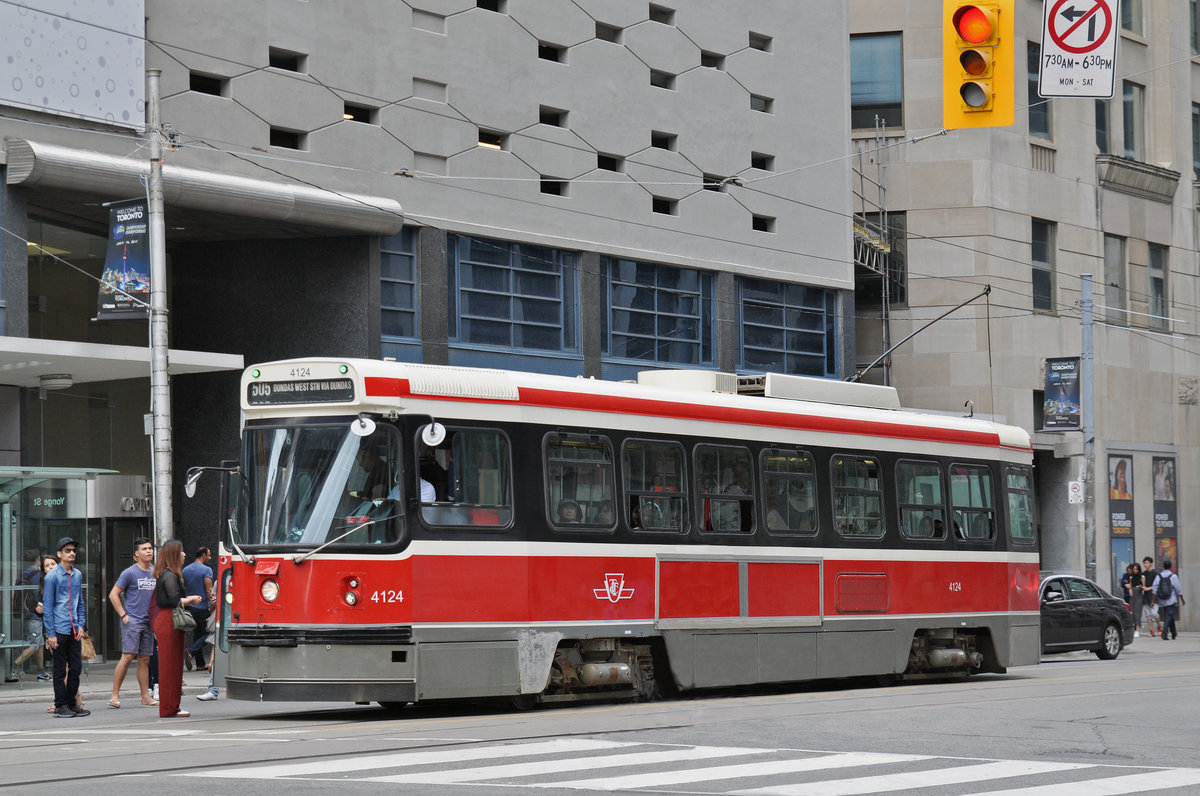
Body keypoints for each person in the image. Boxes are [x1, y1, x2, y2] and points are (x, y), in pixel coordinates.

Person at [152, 539, 203, 718]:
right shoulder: (170, 575)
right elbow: (174, 600)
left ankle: (172, 706)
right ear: (174, 554)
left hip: (169, 620)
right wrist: (191, 599)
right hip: (169, 621)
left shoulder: (167, 574)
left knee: (173, 666)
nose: (184, 554)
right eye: (181, 551)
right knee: (170, 666)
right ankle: (169, 707)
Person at [43, 537, 91, 718]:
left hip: (74, 627)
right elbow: (48, 606)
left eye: (73, 550)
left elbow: (80, 602)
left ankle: (72, 703)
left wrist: (81, 625)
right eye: (67, 550)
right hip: (59, 628)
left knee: (76, 668)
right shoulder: (52, 577)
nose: (72, 553)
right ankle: (60, 704)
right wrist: (51, 633)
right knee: (59, 669)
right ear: (59, 554)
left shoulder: (77, 574)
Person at [108, 537, 158, 708]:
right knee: (128, 656)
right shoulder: (129, 573)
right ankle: (114, 695)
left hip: (149, 622)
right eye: (144, 549)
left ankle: (145, 697)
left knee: (145, 659)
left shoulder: (155, 572)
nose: (149, 551)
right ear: (136, 554)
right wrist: (124, 615)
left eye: (150, 548)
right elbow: (113, 594)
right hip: (133, 620)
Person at [182, 546, 214, 670]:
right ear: (203, 556)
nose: (210, 558)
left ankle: (200, 664)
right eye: (209, 555)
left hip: (190, 607)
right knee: (209, 633)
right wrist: (212, 605)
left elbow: (182, 588)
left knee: (197, 634)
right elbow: (209, 591)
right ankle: (191, 651)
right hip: (202, 607)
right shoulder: (207, 570)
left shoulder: (185, 570)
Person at [1151, 559, 1184, 641]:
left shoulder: (1159, 576)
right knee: (1169, 616)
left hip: (1162, 600)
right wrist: (1182, 599)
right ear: (1170, 566)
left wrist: (1152, 601)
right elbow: (1178, 589)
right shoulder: (1173, 576)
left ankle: (1174, 633)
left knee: (1170, 615)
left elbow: (1154, 590)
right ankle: (1164, 633)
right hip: (1171, 600)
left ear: (1164, 566)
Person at [1141, 556, 1160, 637]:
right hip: (1146, 598)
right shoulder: (1143, 574)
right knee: (1148, 615)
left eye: (1147, 563)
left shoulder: (1155, 573)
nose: (1145, 565)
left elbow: (1157, 585)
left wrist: (1148, 588)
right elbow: (1142, 585)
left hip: (1154, 597)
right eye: (1144, 563)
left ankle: (1159, 626)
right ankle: (1152, 631)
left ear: (1151, 564)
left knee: (1154, 613)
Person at [1127, 562, 1144, 637]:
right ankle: (1136, 628)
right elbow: (1130, 586)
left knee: (1138, 613)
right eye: (1134, 569)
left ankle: (1137, 630)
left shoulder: (1142, 577)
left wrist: (1140, 586)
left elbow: (1144, 586)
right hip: (1132, 596)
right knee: (1132, 612)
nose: (1135, 571)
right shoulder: (1131, 577)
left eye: (1136, 569)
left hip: (1139, 595)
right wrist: (1130, 590)